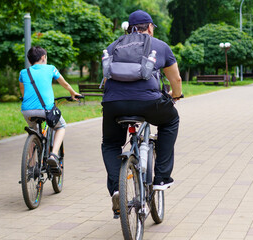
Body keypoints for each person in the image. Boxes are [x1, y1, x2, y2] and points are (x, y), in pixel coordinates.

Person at [101, 10, 182, 216]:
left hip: (113, 104)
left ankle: (117, 189)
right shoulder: (160, 46)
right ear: (149, 27)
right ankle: (162, 177)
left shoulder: (114, 46)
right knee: (170, 120)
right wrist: (176, 95)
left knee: (111, 143)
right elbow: (176, 81)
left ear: (129, 28)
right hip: (149, 103)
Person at [19, 46, 81, 175]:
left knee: (33, 132)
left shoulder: (23, 73)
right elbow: (64, 84)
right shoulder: (51, 68)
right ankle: (53, 155)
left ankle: (31, 165)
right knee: (61, 126)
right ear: (43, 57)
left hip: (27, 111)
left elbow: (23, 92)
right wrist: (73, 93)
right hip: (45, 110)